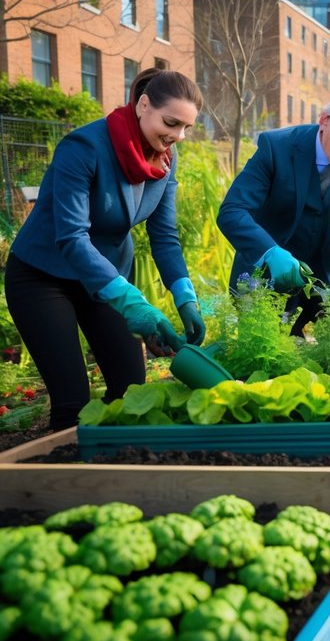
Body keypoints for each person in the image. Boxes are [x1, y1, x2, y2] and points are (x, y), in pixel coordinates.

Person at [6, 68, 205, 429]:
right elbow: (71, 237)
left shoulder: (164, 160)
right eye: (171, 123)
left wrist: (185, 296)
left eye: (186, 129)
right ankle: (71, 476)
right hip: (44, 277)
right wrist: (131, 301)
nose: (177, 137)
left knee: (131, 391)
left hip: (105, 280)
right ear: (144, 105)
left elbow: (164, 237)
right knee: (73, 405)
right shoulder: (84, 147)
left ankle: (119, 468)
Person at [217, 93, 330, 335]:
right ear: (324, 120)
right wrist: (269, 252)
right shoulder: (277, 147)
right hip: (265, 282)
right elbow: (232, 212)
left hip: (327, 288)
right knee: (262, 362)